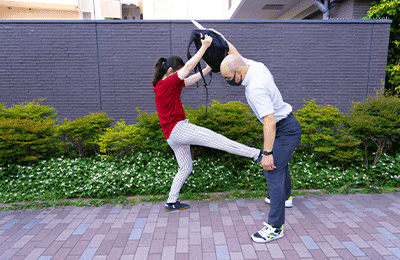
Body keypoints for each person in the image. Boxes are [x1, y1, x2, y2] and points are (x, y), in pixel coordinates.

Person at [152, 34, 263, 212]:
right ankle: (256, 154)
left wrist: (208, 68)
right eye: (179, 71)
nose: (182, 73)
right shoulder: (167, 83)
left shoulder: (164, 85)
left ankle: (171, 202)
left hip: (172, 136)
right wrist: (204, 47)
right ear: (172, 71)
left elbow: (189, 79)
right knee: (217, 140)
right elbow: (188, 68)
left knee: (185, 167)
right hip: (179, 129)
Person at [215, 29, 301, 243]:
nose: (227, 81)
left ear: (238, 73)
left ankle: (275, 227)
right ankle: (286, 197)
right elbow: (233, 52)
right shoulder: (253, 66)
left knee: (271, 168)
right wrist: (216, 35)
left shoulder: (255, 87)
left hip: (284, 128)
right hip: (286, 124)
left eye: (228, 78)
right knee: (281, 166)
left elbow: (270, 122)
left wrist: (268, 153)